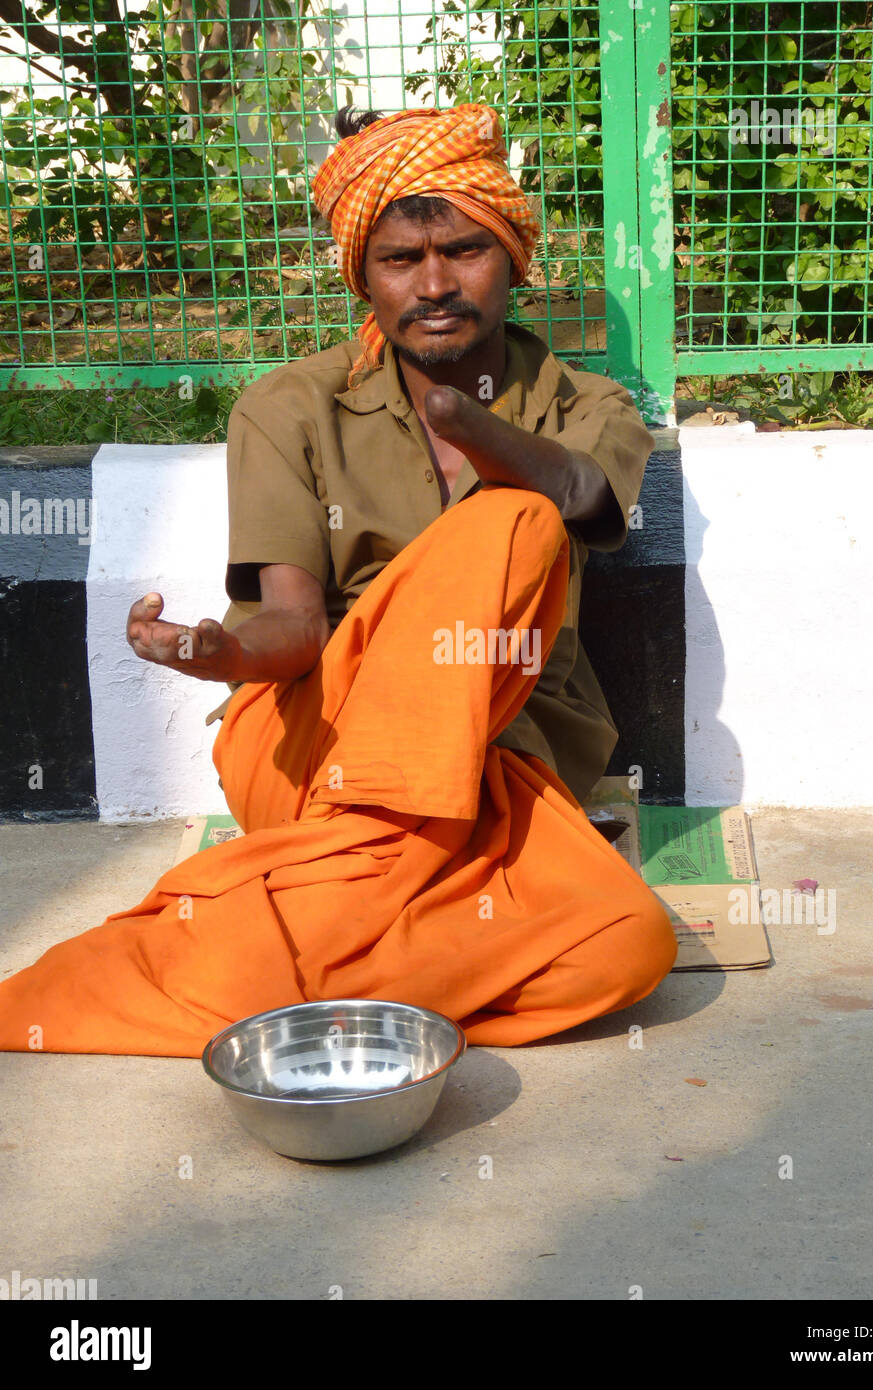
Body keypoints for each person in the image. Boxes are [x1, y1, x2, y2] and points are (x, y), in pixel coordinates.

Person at [0, 103, 677, 1057]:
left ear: (514, 258)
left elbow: (574, 489)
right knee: (528, 913)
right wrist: (220, 650)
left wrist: (472, 425)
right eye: (402, 259)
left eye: (465, 251)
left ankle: (289, 934)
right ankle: (385, 903)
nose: (436, 285)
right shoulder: (288, 407)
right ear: (360, 272)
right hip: (316, 743)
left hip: (502, 753)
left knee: (627, 946)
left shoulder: (586, 404)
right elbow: (296, 626)